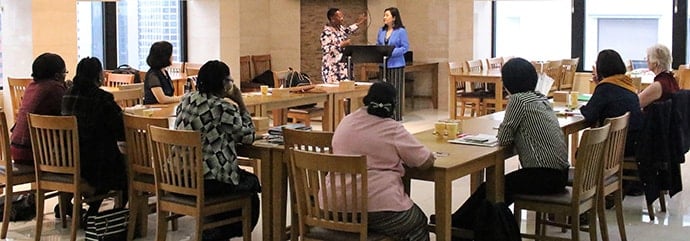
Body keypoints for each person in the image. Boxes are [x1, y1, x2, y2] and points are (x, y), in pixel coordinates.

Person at [448, 58, 569, 231]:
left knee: (490, 187)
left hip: (543, 175)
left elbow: (504, 138)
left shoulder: (518, 100)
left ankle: (459, 224)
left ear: (509, 82)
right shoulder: (541, 99)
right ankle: (466, 223)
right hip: (559, 174)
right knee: (501, 186)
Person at [332, 82, 435, 241]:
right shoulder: (392, 128)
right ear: (394, 105)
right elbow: (424, 161)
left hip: (333, 207)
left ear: (365, 100)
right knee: (418, 221)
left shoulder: (346, 121)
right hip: (377, 208)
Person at [174, 60, 259, 240]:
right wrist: (240, 103)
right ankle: (214, 234)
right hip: (206, 181)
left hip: (179, 177)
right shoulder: (222, 107)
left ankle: (210, 230)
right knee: (252, 188)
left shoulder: (186, 100)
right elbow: (249, 136)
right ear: (224, 83)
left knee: (245, 180)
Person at [61, 57, 128, 218]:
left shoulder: (66, 95)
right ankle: (94, 214)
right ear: (99, 75)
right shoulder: (102, 98)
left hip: (68, 158)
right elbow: (120, 128)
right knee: (127, 174)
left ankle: (79, 209)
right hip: (94, 163)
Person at [581, 49, 643, 157]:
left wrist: (580, 108)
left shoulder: (605, 87)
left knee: (581, 152)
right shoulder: (627, 83)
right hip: (634, 143)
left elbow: (590, 114)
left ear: (601, 68)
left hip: (614, 147)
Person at [10, 53, 68, 166]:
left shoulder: (31, 87)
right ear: (57, 76)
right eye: (64, 73)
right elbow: (67, 111)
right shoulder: (55, 88)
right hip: (34, 154)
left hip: (16, 149)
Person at [377, 7, 409, 121]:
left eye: (387, 15)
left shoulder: (401, 31)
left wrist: (391, 52)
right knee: (383, 91)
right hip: (383, 64)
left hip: (396, 64)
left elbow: (405, 47)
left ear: (394, 18)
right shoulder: (381, 31)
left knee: (395, 91)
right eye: (384, 15)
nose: (384, 17)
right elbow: (378, 45)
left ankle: (396, 116)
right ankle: (384, 115)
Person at [320, 8, 367, 83]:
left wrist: (358, 23)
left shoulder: (340, 29)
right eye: (339, 17)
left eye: (342, 16)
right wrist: (341, 45)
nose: (342, 19)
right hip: (333, 68)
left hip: (343, 66)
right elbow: (326, 49)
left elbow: (347, 30)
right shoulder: (326, 32)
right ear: (332, 18)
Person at [638, 44, 679, 108]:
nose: (646, 60)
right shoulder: (671, 79)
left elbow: (635, 104)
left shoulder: (658, 85)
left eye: (648, 57)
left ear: (655, 63)